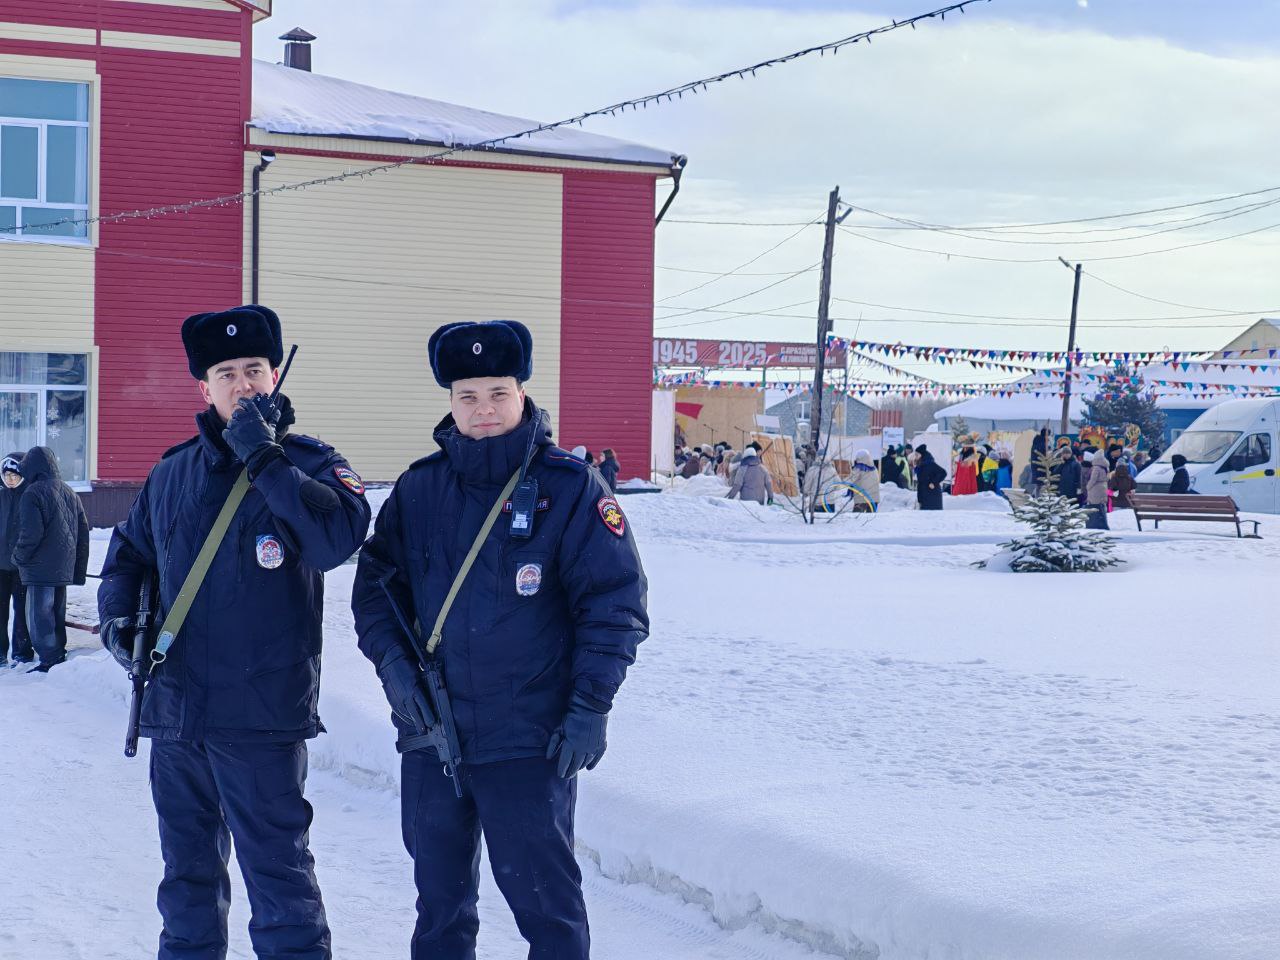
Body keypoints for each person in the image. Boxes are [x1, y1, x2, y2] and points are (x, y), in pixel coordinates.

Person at [352, 319, 648, 960]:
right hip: (433, 736)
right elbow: (375, 592)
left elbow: (615, 605)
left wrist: (590, 707)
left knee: (549, 912)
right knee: (439, 913)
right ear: (450, 400)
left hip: (529, 741)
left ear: (522, 394)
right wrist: (396, 672)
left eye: (498, 393)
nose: (484, 409)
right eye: (468, 396)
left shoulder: (569, 489)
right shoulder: (419, 489)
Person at [96, 305, 371, 960]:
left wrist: (265, 459)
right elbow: (127, 558)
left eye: (254, 369)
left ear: (274, 375)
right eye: (226, 373)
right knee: (186, 883)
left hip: (262, 718)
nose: (242, 384)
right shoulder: (172, 472)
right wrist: (119, 624)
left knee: (280, 885)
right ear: (205, 388)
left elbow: (335, 540)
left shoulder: (310, 464)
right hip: (176, 714)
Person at [12, 446, 89, 672]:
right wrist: (78, 566)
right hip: (63, 565)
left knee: (40, 616)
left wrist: (18, 557)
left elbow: (30, 534)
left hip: (39, 568)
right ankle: (57, 652)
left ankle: (49, 659)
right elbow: (83, 531)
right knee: (56, 612)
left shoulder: (32, 493)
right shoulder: (70, 491)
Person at [0, 453, 33, 667]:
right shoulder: (0, 496)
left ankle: (22, 651)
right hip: (0, 566)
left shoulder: (29, 496)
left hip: (21, 566)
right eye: (6, 475)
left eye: (14, 475)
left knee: (21, 611)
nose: (10, 479)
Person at [915, 445, 946, 510]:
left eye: (917, 454)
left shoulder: (930, 463)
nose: (916, 456)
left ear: (922, 455)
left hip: (932, 496)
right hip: (924, 496)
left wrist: (933, 482)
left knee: (932, 515)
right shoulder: (920, 465)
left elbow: (943, 473)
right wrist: (919, 499)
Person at [1084, 450, 1110, 529]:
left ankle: (1094, 523)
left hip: (1095, 490)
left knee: (1094, 507)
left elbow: (1093, 479)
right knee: (1101, 506)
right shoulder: (1105, 467)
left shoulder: (1096, 468)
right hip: (1103, 487)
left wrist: (1088, 487)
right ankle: (1102, 523)